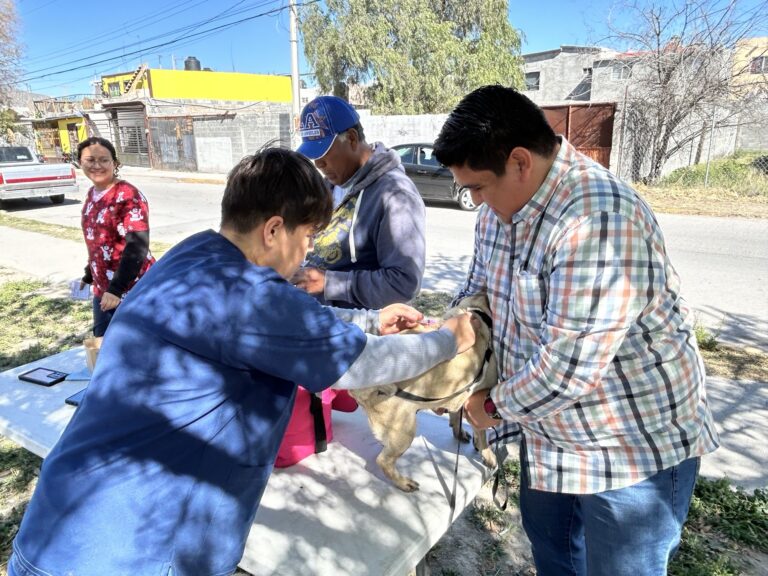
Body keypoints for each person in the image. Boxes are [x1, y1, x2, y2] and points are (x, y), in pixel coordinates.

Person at [8, 148, 476, 576]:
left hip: (61, 524)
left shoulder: (195, 254)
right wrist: (447, 341)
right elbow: (360, 365)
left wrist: (372, 320)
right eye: (308, 236)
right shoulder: (247, 294)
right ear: (273, 229)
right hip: (131, 550)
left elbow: (285, 324)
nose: (309, 252)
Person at [433, 85, 720, 576]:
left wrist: (491, 406)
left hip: (628, 450)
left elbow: (568, 369)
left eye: (478, 187)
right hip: (549, 434)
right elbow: (477, 290)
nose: (475, 201)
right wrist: (448, 325)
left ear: (520, 162)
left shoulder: (597, 218)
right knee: (557, 559)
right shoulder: (497, 217)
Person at [292, 95, 426, 309]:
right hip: (323, 322)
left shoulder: (395, 194)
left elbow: (403, 284)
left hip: (361, 333)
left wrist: (329, 283)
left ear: (352, 139)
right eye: (314, 155)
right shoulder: (331, 184)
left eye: (324, 152)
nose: (318, 163)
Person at [77, 136, 155, 336]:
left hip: (133, 290)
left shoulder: (128, 195)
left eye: (104, 160)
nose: (97, 165)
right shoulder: (92, 194)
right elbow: (98, 240)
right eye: (90, 160)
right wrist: (89, 274)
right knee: (102, 345)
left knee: (133, 350)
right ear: (80, 162)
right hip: (103, 289)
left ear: (114, 163)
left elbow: (137, 246)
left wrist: (116, 289)